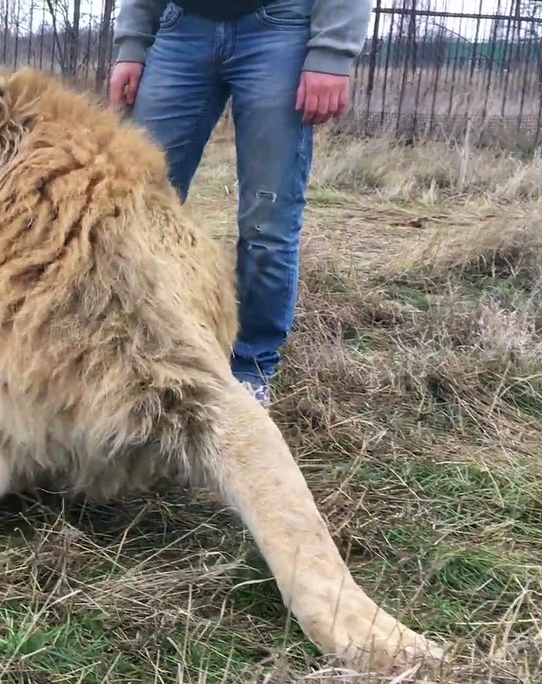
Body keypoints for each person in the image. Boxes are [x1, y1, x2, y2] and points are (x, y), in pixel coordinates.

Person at [108, 0, 369, 404]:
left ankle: (250, 368)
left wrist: (331, 52)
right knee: (133, 209)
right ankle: (139, 351)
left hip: (279, 25)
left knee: (267, 220)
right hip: (180, 27)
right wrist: (132, 44)